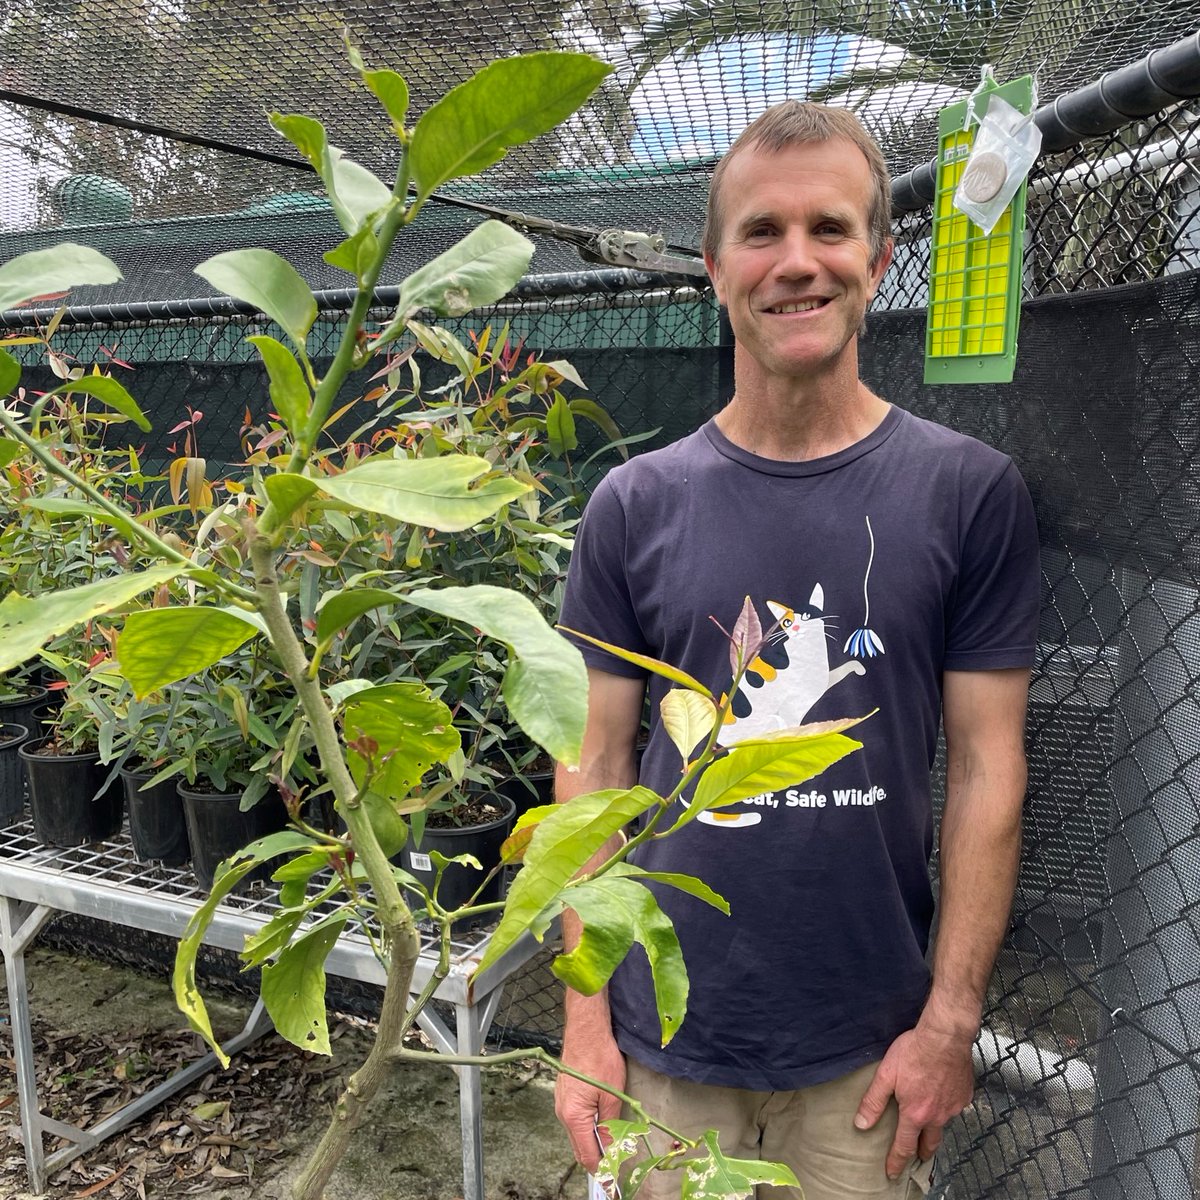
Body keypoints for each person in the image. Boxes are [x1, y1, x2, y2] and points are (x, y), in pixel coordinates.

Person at [553, 101, 1040, 1200]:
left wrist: (950, 1023)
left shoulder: (968, 494)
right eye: (762, 233)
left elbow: (989, 771)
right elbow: (591, 771)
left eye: (829, 228)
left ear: (879, 255)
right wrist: (585, 1021)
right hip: (662, 1043)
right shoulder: (633, 505)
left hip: (867, 1053)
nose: (797, 262)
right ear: (715, 268)